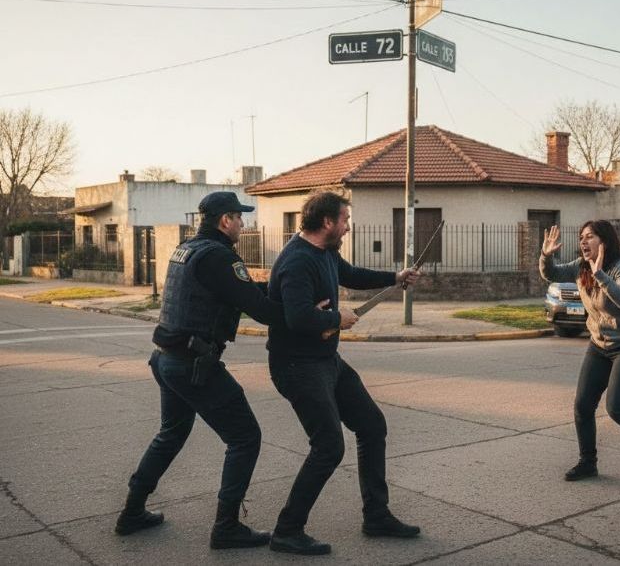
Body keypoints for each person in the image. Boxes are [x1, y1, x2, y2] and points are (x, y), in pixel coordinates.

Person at [115, 192, 327, 550]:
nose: (244, 225)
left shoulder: (189, 249)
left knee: (171, 433)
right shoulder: (219, 257)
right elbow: (259, 308)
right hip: (194, 365)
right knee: (245, 437)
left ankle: (132, 511)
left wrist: (283, 289)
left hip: (167, 358)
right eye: (239, 218)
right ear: (225, 220)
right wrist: (305, 311)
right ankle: (226, 527)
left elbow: (241, 291)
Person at [266, 190, 421, 555]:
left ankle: (376, 516)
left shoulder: (326, 252)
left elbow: (349, 274)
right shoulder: (296, 262)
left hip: (325, 360)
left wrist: (395, 277)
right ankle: (287, 530)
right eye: (345, 220)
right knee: (328, 446)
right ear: (327, 222)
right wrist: (337, 318)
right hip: (296, 365)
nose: (349, 227)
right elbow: (298, 317)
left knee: (371, 425)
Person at [539, 221, 620, 484]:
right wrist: (546, 255)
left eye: (590, 236)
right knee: (582, 406)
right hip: (600, 345)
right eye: (581, 237)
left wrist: (600, 274)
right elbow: (552, 273)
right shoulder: (580, 266)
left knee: (617, 408)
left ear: (605, 241)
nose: (583, 241)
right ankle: (588, 462)